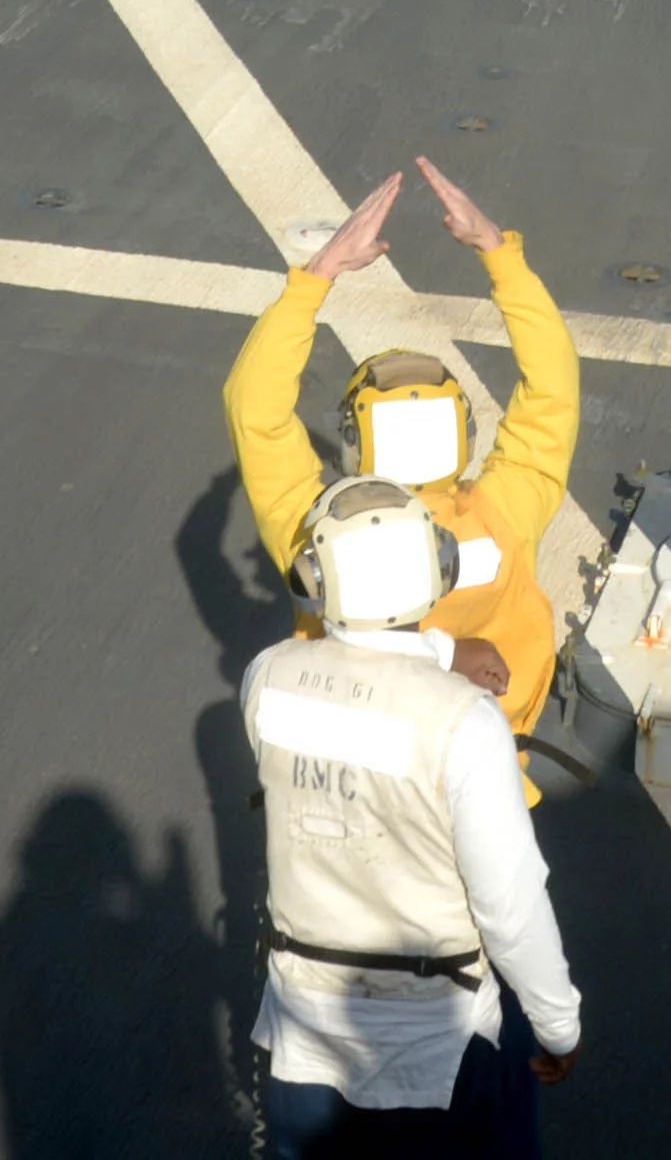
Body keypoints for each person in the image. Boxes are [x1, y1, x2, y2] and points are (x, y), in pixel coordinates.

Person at [244, 479, 581, 1154]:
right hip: (439, 1060)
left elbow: (360, 678)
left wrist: (442, 653)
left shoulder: (267, 679)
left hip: (303, 1047)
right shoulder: (465, 723)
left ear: (317, 576)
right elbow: (510, 911)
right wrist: (559, 1028)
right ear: (438, 569)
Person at [229, 160, 578, 741]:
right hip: (493, 754)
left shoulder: (313, 532)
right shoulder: (508, 514)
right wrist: (499, 254)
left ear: (354, 444)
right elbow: (553, 389)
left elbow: (255, 414)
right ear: (462, 436)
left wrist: (319, 274)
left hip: (351, 762)